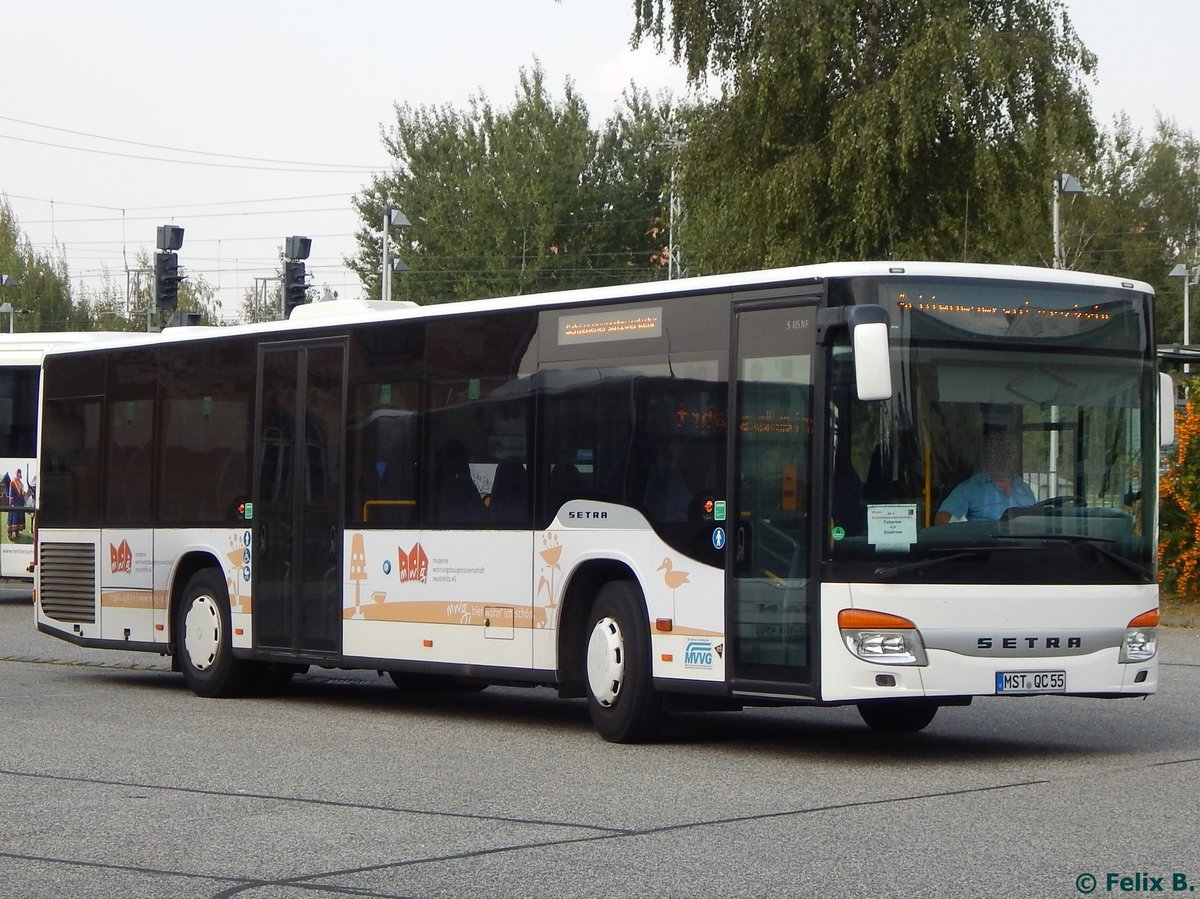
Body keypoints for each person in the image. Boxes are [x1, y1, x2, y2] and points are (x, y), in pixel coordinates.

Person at [934, 432, 1035, 524]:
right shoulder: (971, 488)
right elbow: (941, 518)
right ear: (988, 459)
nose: (1003, 460)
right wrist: (969, 534)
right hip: (985, 543)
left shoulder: (1024, 488)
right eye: (997, 455)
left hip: (1022, 543)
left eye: (1008, 455)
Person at [7, 469, 26, 538]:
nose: (19, 474)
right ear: (16, 474)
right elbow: (11, 494)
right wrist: (11, 503)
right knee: (13, 519)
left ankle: (17, 532)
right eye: (18, 473)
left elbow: (22, 494)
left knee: (19, 519)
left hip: (20, 504)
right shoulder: (12, 482)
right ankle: (10, 533)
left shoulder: (21, 483)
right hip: (14, 504)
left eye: (20, 473)